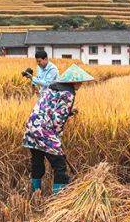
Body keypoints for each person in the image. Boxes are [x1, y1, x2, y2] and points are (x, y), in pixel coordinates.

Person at [22, 64, 95, 195]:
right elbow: (58, 120)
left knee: (37, 162)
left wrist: (69, 112)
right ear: (74, 81)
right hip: (45, 130)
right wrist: (57, 138)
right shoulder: (68, 93)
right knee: (60, 165)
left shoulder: (52, 88)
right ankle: (58, 199)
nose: (81, 84)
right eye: (80, 81)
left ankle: (35, 194)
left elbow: (49, 107)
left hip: (32, 127)